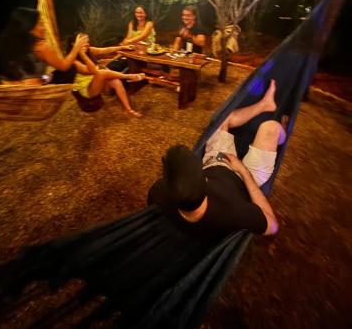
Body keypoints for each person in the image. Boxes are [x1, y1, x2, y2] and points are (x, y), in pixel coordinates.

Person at [148, 79, 285, 239]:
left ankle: (265, 104)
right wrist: (243, 171)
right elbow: (272, 226)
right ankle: (281, 134)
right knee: (271, 127)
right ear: (205, 180)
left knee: (222, 120)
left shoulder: (159, 192)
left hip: (215, 162)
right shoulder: (233, 211)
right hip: (246, 178)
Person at [0, 7, 89, 85]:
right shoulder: (42, 47)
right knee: (71, 69)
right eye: (40, 24)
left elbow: (27, 74)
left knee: (48, 74)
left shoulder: (7, 44)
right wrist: (76, 48)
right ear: (29, 28)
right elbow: (64, 66)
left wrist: (45, 77)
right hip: (32, 92)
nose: (44, 28)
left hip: (8, 89)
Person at [71, 33, 146, 118]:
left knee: (116, 82)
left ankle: (128, 110)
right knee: (101, 72)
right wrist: (83, 55)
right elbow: (94, 71)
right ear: (74, 44)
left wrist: (122, 47)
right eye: (82, 42)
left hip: (97, 82)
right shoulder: (75, 62)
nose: (86, 44)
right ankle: (131, 76)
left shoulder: (89, 50)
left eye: (87, 41)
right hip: (87, 90)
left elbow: (106, 49)